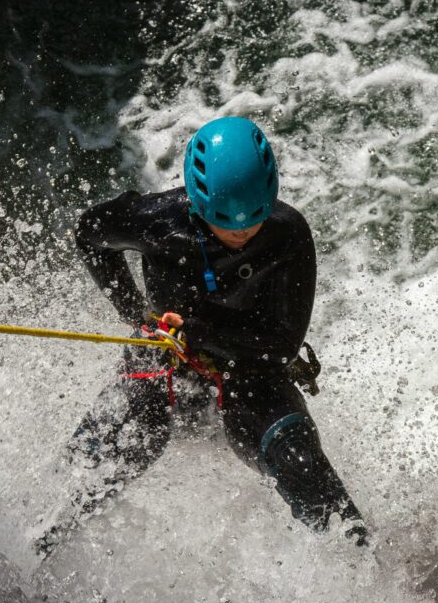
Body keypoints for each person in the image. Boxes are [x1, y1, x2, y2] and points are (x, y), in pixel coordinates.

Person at [36, 116, 366, 556]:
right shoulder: (157, 222)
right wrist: (136, 315)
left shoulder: (288, 235)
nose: (241, 234)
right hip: (166, 361)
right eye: (225, 224)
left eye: (253, 222)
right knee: (110, 453)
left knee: (299, 459)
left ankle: (363, 562)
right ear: (197, 201)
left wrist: (199, 331)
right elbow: (90, 234)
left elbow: (282, 345)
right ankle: (39, 544)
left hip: (249, 374)